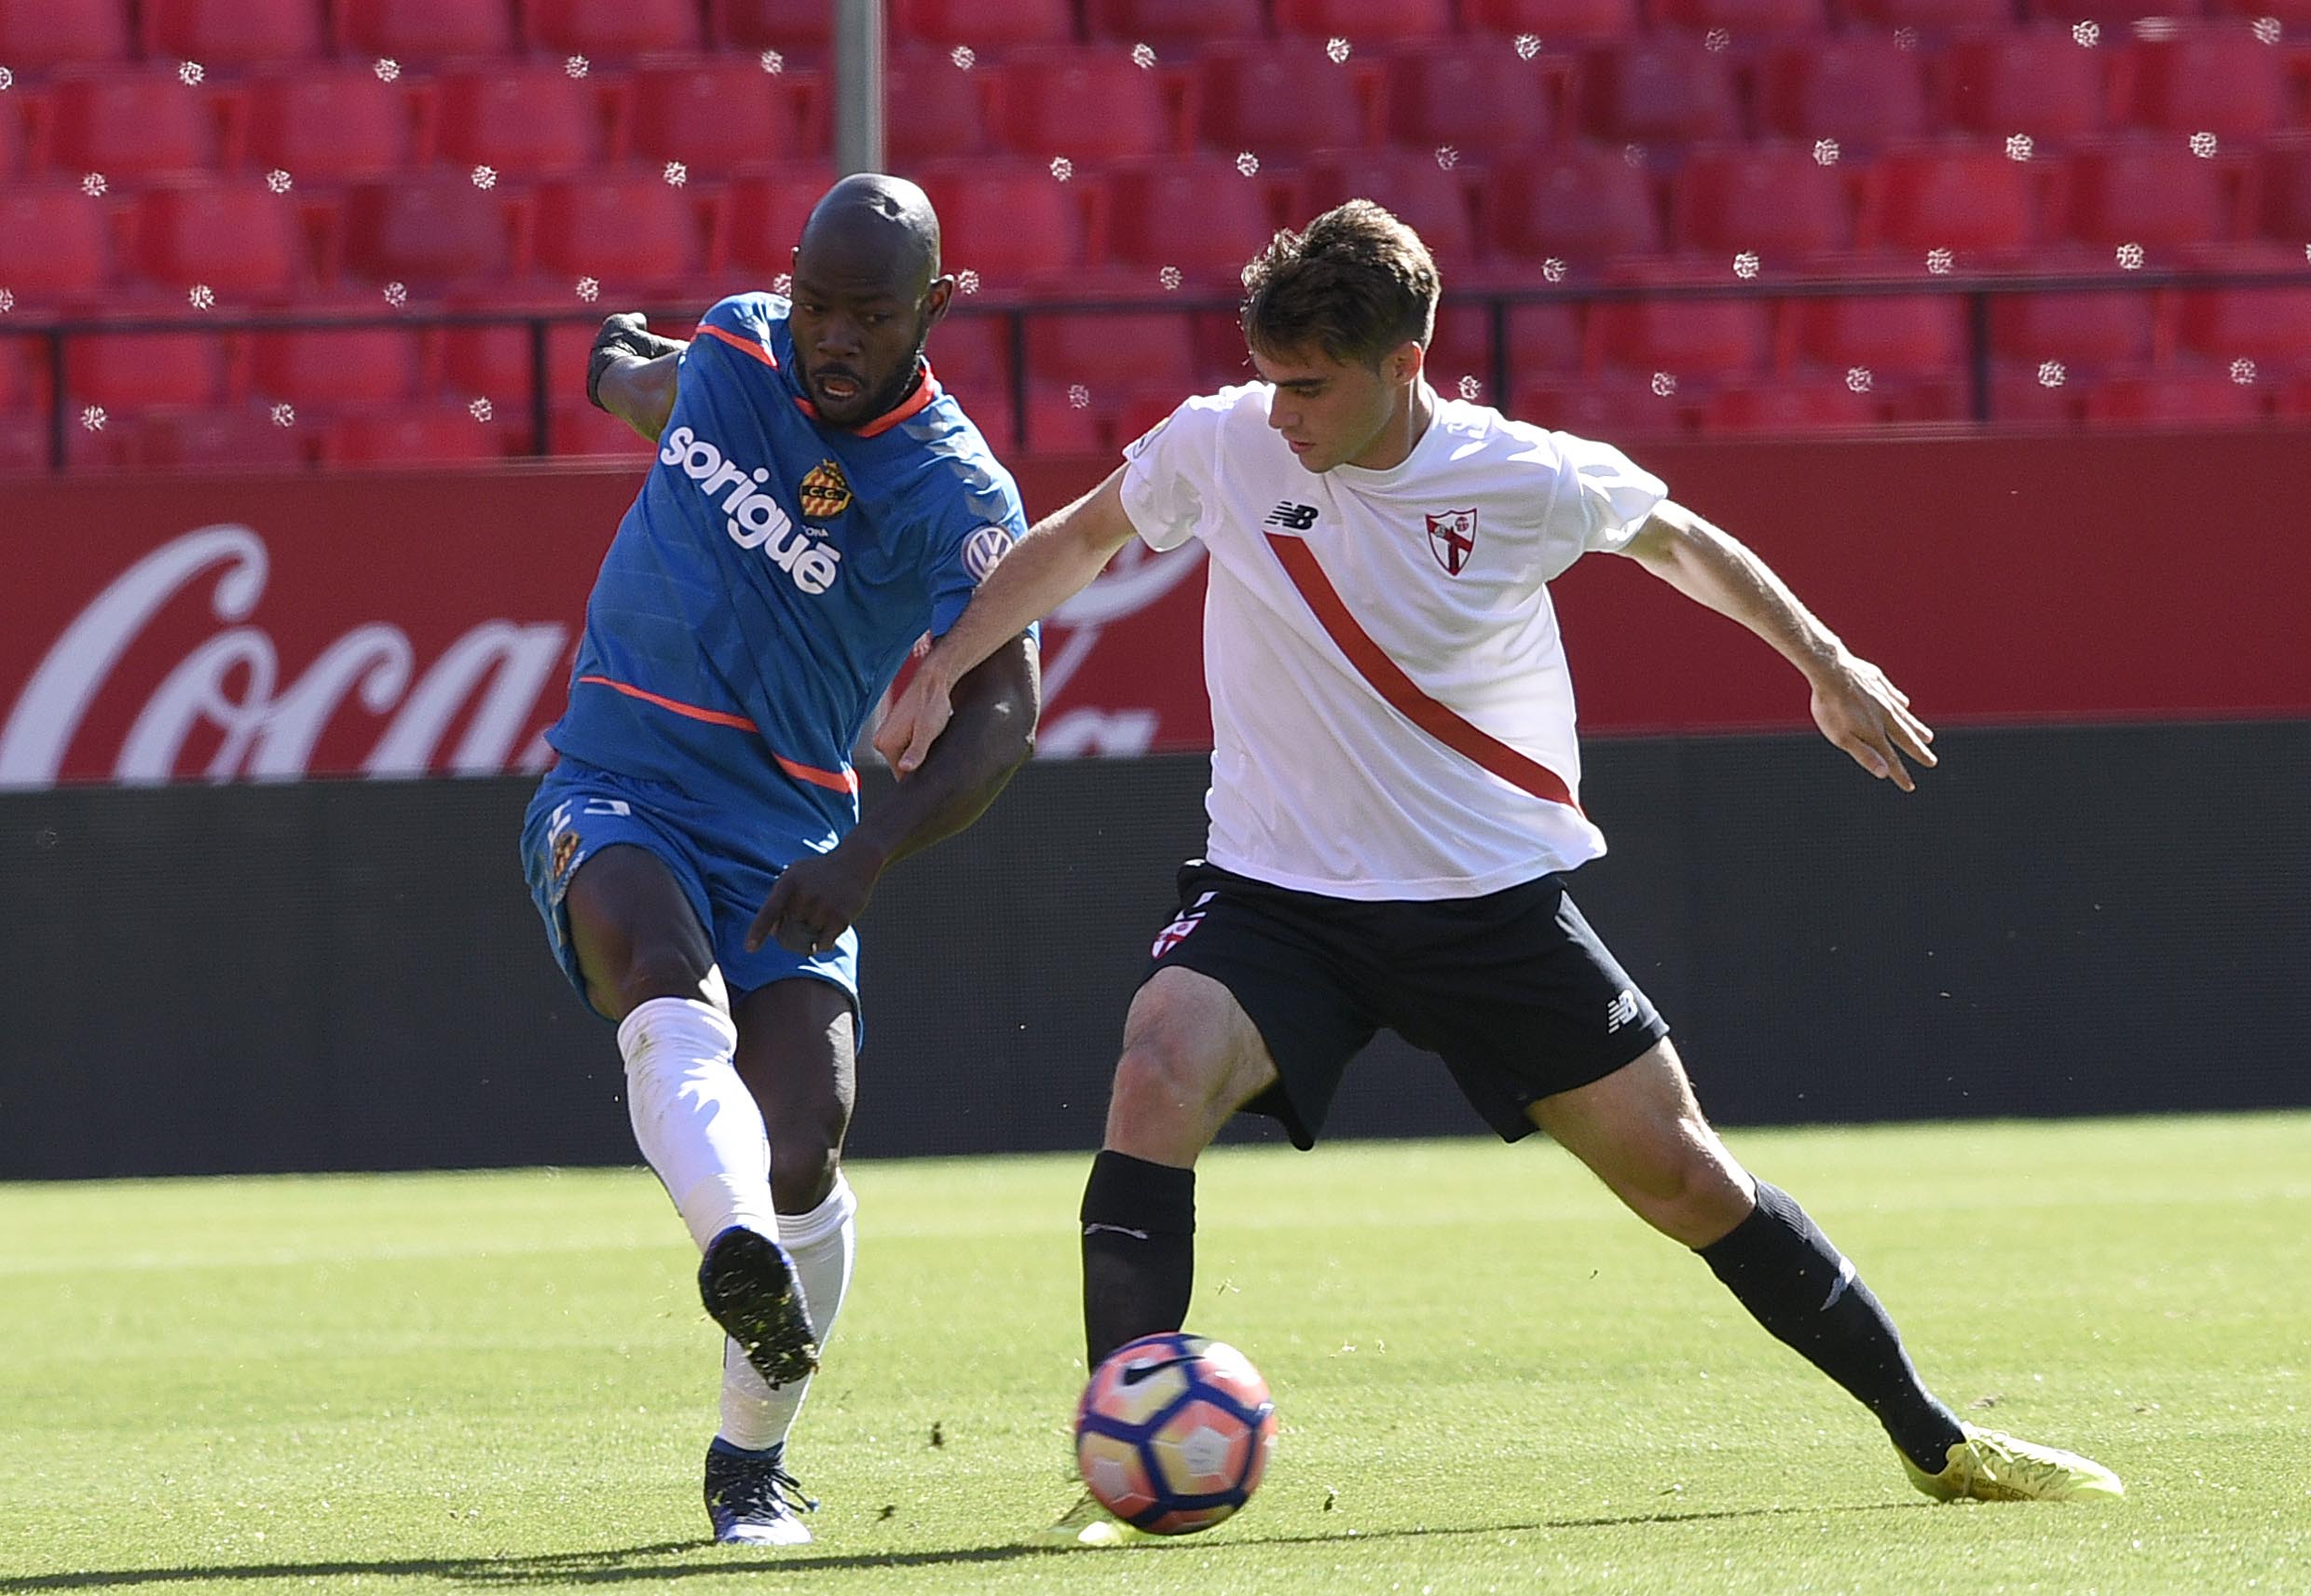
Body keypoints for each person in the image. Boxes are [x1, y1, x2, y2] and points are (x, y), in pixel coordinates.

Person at [877, 201, 2122, 1543]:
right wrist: (945, 664)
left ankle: (1932, 1435)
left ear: (1404, 362)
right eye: (1271, 375)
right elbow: (1080, 536)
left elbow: (1679, 539)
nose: (1281, 410)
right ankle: (1116, 1467)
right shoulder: (1222, 444)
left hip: (1484, 906)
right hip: (1279, 897)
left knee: (1687, 1181)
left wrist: (1826, 662)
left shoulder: (1515, 474)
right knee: (1156, 1063)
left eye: (1310, 385)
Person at [520, 173, 1040, 1547]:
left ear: (935, 307)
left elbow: (1005, 706)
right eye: (818, 302)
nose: (833, 336)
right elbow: (657, 390)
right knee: (658, 977)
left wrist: (870, 848)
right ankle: (733, 1247)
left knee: (805, 1140)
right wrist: (615, 361)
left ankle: (748, 1458)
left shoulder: (952, 488)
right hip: (617, 780)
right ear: (787, 285)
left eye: (870, 313)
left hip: (796, 829)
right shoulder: (741, 344)